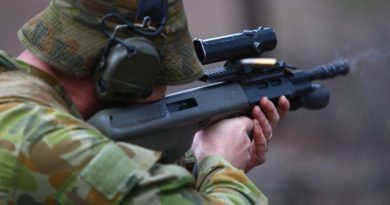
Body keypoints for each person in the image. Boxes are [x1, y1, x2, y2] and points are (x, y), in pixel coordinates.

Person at [0, 0, 290, 204]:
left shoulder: (16, 104)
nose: (162, 89)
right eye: (162, 74)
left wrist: (192, 161)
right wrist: (221, 164)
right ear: (130, 68)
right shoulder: (43, 142)